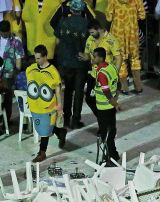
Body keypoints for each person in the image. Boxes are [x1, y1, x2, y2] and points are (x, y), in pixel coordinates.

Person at [26, 45, 67, 162]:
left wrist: (60, 107)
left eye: (39, 58)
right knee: (45, 127)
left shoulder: (53, 72)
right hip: (36, 106)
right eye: (35, 58)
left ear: (45, 57)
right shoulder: (32, 68)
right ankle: (60, 131)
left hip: (49, 107)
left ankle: (42, 152)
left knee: (44, 131)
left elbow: (58, 91)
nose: (36, 60)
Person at [78, 19, 122, 121]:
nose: (91, 34)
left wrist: (114, 74)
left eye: (92, 32)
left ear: (99, 29)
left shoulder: (111, 40)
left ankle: (106, 124)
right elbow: (89, 54)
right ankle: (102, 119)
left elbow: (119, 58)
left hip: (106, 76)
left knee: (107, 100)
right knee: (89, 99)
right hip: (93, 75)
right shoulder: (90, 39)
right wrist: (86, 57)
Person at [55, 0, 89, 129]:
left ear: (71, 9)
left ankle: (66, 119)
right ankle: (76, 120)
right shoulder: (86, 24)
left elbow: (58, 41)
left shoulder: (63, 22)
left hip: (66, 62)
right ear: (82, 10)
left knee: (68, 91)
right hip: (80, 63)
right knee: (79, 92)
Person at [107, 0, 146, 95]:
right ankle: (138, 86)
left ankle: (124, 87)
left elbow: (108, 17)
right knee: (135, 58)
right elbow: (142, 15)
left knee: (120, 59)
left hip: (118, 32)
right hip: (132, 31)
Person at [92, 47, 120, 164]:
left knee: (106, 134)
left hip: (104, 108)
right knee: (111, 130)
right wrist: (115, 100)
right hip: (110, 107)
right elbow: (117, 83)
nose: (93, 58)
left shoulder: (102, 73)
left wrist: (114, 102)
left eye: (95, 56)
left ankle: (110, 158)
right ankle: (113, 155)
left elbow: (106, 90)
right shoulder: (111, 67)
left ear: (100, 57)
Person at [0, 20, 24, 122]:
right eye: (2, 32)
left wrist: (16, 72)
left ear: (9, 30)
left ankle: (6, 120)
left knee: (7, 98)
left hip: (8, 73)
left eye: (6, 32)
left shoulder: (16, 41)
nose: (4, 34)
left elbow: (19, 58)